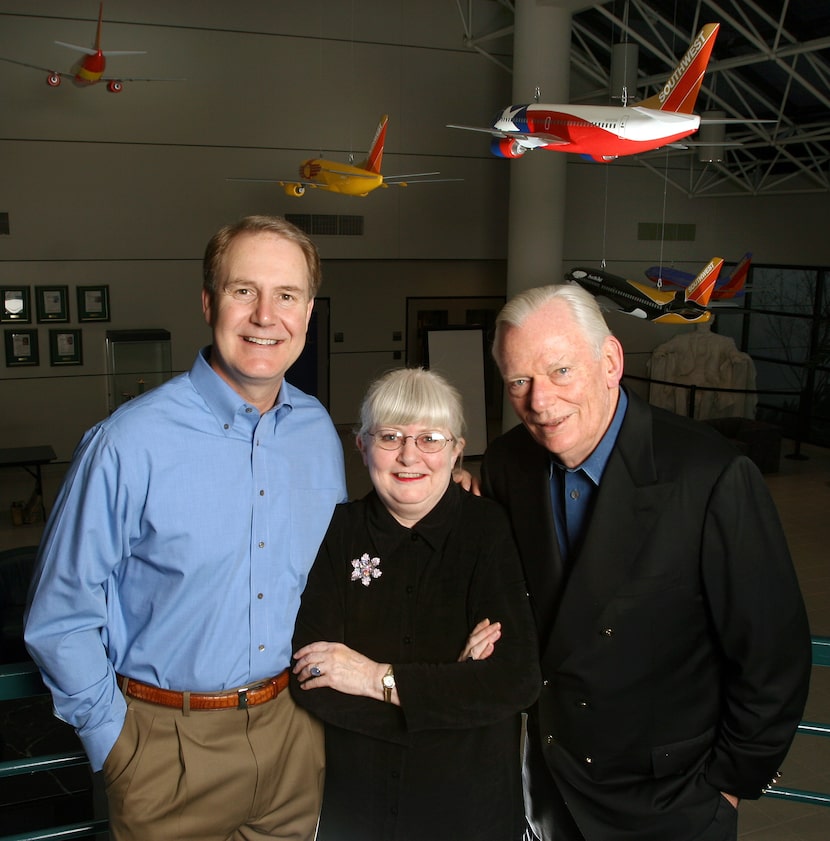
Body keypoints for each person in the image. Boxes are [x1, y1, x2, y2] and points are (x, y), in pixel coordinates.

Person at [24, 215, 347, 841]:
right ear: (209, 302)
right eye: (242, 290)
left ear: (308, 312)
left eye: (287, 295)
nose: (265, 315)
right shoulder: (127, 443)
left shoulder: (318, 435)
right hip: (164, 748)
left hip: (295, 731)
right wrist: (118, 745)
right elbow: (60, 615)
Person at [480, 283, 812, 841]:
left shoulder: (709, 474)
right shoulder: (507, 464)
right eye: (519, 381)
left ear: (610, 361)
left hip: (673, 798)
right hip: (553, 788)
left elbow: (771, 655)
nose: (539, 401)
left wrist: (728, 788)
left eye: (560, 371)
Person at [290, 367, 541, 841]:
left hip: (469, 806)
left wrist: (372, 678)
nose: (409, 456)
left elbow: (514, 681)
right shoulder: (336, 532)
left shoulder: (489, 530)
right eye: (390, 437)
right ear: (361, 445)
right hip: (358, 805)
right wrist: (452, 685)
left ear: (456, 450)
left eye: (429, 438)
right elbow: (312, 679)